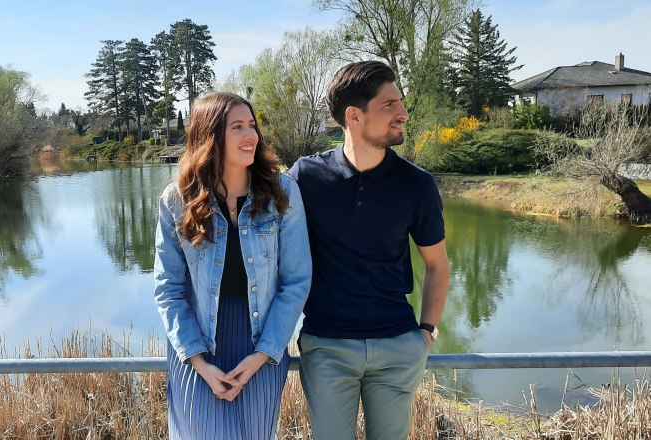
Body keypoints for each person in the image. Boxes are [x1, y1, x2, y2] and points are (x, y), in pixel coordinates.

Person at [289, 60, 450, 440]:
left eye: (401, 102)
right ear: (354, 116)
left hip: (397, 346)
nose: (404, 114)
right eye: (389, 105)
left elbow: (437, 265)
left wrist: (425, 331)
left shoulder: (418, 185)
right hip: (327, 346)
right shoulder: (305, 178)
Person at [154, 92, 311, 439]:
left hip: (261, 342)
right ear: (210, 137)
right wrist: (199, 363)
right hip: (199, 346)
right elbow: (168, 290)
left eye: (252, 125)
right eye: (237, 127)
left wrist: (262, 355)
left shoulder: (282, 193)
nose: (250, 135)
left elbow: (297, 281)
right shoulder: (177, 200)